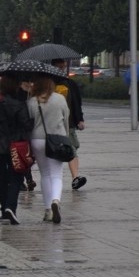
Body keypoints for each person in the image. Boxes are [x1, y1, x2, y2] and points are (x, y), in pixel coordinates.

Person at [0, 75, 33, 225]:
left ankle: (4, 210)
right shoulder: (20, 104)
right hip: (16, 147)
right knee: (16, 177)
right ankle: (11, 207)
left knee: (0, 178)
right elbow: (26, 126)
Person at [28, 75, 70, 224]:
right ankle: (56, 201)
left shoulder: (32, 101)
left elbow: (30, 122)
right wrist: (66, 137)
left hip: (37, 140)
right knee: (57, 175)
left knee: (44, 174)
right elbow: (66, 119)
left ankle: (47, 211)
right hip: (57, 140)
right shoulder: (60, 99)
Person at [50, 59, 87, 190]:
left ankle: (75, 177)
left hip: (68, 123)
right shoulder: (47, 83)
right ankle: (27, 178)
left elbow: (76, 103)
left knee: (71, 149)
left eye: (63, 67)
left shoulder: (70, 84)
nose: (62, 69)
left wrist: (80, 119)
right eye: (59, 67)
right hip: (49, 125)